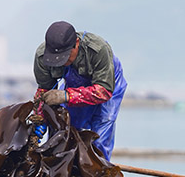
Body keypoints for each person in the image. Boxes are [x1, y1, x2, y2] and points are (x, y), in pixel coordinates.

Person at [33, 21, 127, 160]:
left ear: (76, 43)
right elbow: (43, 91)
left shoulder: (98, 49)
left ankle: (100, 170)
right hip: (73, 85)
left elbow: (104, 91)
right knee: (66, 132)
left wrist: (66, 95)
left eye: (65, 57)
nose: (61, 62)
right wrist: (39, 120)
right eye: (56, 59)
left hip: (107, 84)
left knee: (100, 135)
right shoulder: (42, 57)